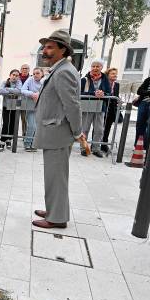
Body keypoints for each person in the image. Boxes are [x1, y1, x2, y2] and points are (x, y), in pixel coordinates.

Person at [32, 30, 86, 229]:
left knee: (57, 177)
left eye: (50, 47)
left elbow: (72, 106)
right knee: (53, 176)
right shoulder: (60, 69)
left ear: (63, 50)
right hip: (55, 132)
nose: (44, 51)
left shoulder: (64, 71)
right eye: (44, 47)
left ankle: (57, 217)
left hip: (58, 133)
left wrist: (78, 132)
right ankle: (54, 209)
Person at [80, 60, 111, 158]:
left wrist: (103, 94)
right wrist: (93, 94)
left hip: (100, 107)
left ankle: (96, 149)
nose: (95, 68)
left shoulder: (105, 79)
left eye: (98, 66)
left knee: (99, 129)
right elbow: (80, 93)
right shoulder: (84, 79)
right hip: (87, 106)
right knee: (85, 129)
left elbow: (109, 93)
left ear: (101, 68)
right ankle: (84, 148)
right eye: (93, 66)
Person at [0, 69, 24, 151]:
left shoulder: (19, 83)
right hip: (6, 106)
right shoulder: (4, 82)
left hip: (15, 107)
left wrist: (8, 90)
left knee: (12, 124)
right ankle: (2, 141)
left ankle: (9, 140)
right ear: (10, 75)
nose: (15, 77)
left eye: (17, 75)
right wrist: (13, 91)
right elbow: (0, 91)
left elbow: (19, 91)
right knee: (6, 123)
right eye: (13, 75)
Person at [20, 67, 44, 151]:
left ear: (42, 74)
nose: (35, 75)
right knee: (31, 126)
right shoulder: (30, 80)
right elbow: (23, 90)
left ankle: (34, 144)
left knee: (38, 127)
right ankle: (27, 143)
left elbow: (49, 91)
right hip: (31, 107)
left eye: (37, 73)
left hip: (42, 107)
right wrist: (32, 94)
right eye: (34, 73)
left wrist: (39, 94)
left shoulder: (45, 81)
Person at [101, 68, 121, 153]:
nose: (115, 75)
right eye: (113, 74)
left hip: (112, 109)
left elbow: (116, 96)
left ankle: (104, 144)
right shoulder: (103, 83)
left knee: (108, 127)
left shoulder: (116, 85)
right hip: (104, 107)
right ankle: (95, 144)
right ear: (107, 75)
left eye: (116, 74)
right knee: (99, 127)